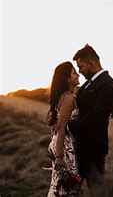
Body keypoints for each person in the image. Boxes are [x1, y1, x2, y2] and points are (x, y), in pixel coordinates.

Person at [68, 44, 113, 196]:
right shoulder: (87, 84)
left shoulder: (108, 84)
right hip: (78, 148)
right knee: (72, 191)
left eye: (81, 67)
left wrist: (69, 126)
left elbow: (97, 118)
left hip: (93, 150)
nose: (80, 71)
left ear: (91, 64)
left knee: (97, 192)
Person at [47, 61, 83, 196]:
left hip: (60, 143)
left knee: (59, 185)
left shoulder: (62, 96)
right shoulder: (68, 98)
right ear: (67, 79)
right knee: (67, 188)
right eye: (74, 73)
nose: (78, 74)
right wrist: (59, 156)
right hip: (65, 148)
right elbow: (62, 128)